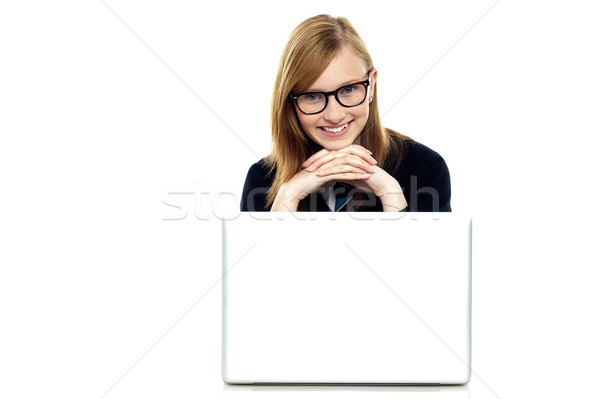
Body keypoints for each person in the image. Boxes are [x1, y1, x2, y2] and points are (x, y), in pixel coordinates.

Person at [240, 14, 451, 212]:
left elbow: (426, 253)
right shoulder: (263, 179)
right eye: (312, 96)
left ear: (371, 86)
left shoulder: (425, 168)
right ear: (290, 101)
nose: (334, 115)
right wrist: (287, 198)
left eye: (348, 89)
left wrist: (391, 194)